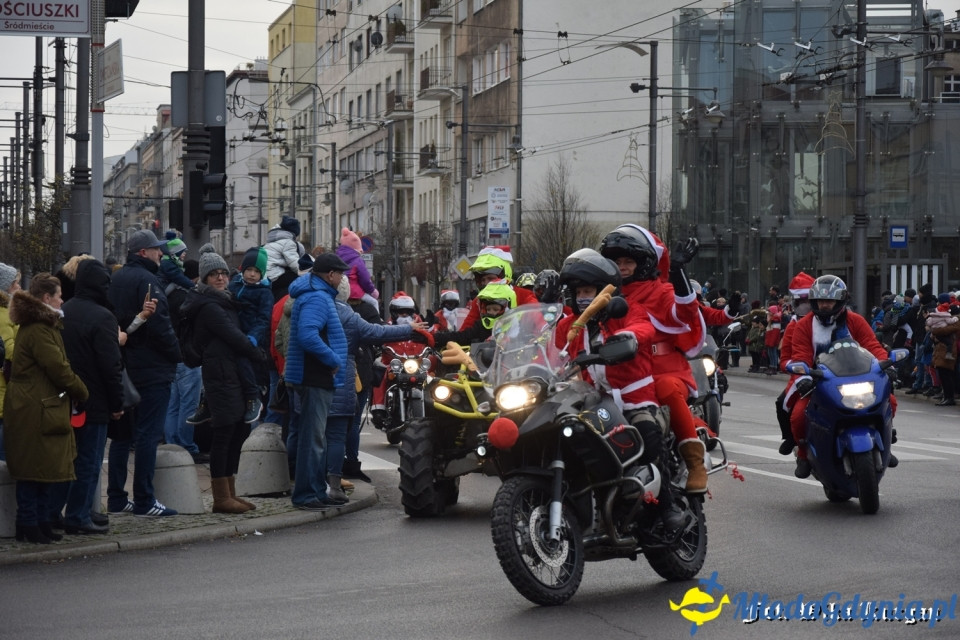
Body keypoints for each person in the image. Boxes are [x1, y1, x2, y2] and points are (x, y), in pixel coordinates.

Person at [555, 248, 684, 532]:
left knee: (647, 434)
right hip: (592, 402)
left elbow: (643, 328)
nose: (582, 298)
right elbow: (547, 347)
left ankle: (668, 505)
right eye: (578, 293)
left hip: (634, 399)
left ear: (604, 291)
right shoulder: (569, 325)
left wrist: (626, 338)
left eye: (588, 290)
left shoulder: (625, 312)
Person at [599, 224, 709, 493]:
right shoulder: (603, 292)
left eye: (628, 261)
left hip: (663, 369)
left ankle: (694, 463)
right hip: (620, 370)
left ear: (643, 263)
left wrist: (678, 273)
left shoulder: (659, 291)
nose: (622, 267)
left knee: (666, 389)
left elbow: (685, 314)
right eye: (616, 261)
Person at [782, 275, 897, 478]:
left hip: (857, 377)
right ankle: (802, 453)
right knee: (799, 416)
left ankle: (887, 441)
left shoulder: (856, 321)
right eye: (820, 301)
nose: (825, 305)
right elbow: (800, 356)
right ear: (813, 301)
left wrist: (885, 365)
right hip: (820, 381)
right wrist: (804, 378)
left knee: (891, 402)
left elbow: (872, 346)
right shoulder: (803, 326)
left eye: (830, 301)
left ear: (840, 301)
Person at [4, 273, 89, 544]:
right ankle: (28, 523)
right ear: (46, 298)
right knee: (33, 470)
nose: (62, 298)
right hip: (34, 407)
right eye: (59, 294)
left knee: (42, 469)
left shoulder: (41, 325)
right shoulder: (40, 329)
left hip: (38, 405)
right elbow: (57, 367)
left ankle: (37, 521)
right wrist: (81, 390)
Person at [180, 248, 266, 513]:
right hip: (220, 375)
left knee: (238, 431)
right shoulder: (209, 306)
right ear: (204, 279)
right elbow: (233, 336)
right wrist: (257, 353)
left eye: (223, 274)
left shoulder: (225, 300)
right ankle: (221, 498)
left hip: (232, 372)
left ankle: (230, 492)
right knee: (224, 433)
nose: (220, 278)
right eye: (214, 275)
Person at [106, 229, 181, 517]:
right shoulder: (148, 280)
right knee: (148, 434)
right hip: (153, 367)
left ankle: (115, 498)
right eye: (155, 249)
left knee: (122, 435)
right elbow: (160, 325)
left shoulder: (116, 278)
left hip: (125, 366)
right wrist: (177, 355)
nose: (160, 253)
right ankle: (145, 500)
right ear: (142, 253)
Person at [326, 275, 419, 503]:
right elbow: (377, 333)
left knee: (314, 434)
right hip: (342, 378)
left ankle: (311, 483)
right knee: (338, 433)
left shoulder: (306, 307)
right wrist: (411, 330)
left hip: (309, 380)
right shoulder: (349, 315)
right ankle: (334, 484)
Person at [56, 259, 124, 534]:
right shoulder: (103, 317)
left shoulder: (64, 311)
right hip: (94, 400)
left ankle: (65, 512)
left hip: (66, 398)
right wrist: (117, 403)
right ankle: (79, 515)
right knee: (89, 461)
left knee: (67, 462)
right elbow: (111, 366)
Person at [284, 252, 350, 511]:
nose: (342, 278)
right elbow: (307, 336)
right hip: (315, 376)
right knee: (312, 439)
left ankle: (315, 491)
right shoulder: (317, 297)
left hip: (314, 375)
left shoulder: (314, 294)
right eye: (340, 274)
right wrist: (333, 360)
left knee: (314, 437)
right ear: (330, 275)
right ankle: (305, 495)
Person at [163, 257, 204, 462]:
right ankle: (187, 445)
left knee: (173, 403)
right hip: (188, 355)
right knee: (189, 403)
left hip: (173, 354)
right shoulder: (188, 297)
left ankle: (171, 443)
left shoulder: (169, 295)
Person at [228, 245, 274, 423]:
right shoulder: (234, 285)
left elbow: (264, 319)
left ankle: (254, 397)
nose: (252, 274)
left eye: (257, 271)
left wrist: (254, 337)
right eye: (249, 270)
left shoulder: (264, 292)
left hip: (251, 339)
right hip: (233, 334)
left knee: (246, 366)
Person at [458, 246, 537, 330]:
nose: (486, 283)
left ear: (504, 275)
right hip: (489, 342)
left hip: (520, 341)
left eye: (491, 278)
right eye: (482, 280)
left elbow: (539, 320)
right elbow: (466, 329)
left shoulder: (523, 295)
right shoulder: (478, 301)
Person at [0, 261, 21, 461]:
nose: (18, 287)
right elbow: (9, 349)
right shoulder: (3, 315)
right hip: (3, 390)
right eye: (15, 283)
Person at [263, 215, 306, 301]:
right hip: (274, 276)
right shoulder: (288, 242)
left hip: (265, 275)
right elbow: (295, 264)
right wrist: (308, 274)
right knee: (298, 279)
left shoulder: (273, 240)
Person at [335, 227, 379, 308]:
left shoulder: (336, 257)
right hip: (354, 293)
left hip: (339, 293)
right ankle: (377, 320)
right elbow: (365, 279)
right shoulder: (357, 260)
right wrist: (372, 291)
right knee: (374, 302)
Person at [927, 305, 960, 406]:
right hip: (941, 349)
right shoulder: (949, 320)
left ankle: (949, 397)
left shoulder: (956, 321)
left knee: (947, 374)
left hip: (948, 349)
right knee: (943, 373)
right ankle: (946, 396)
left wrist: (935, 331)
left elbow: (947, 330)